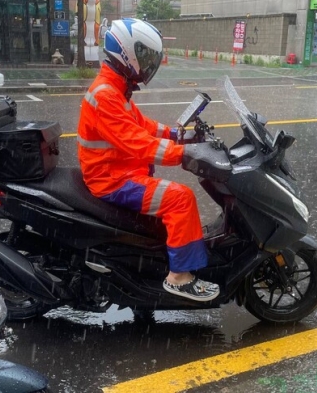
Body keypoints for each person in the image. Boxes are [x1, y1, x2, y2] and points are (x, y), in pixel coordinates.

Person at [77, 18, 220, 302]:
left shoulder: (116, 88)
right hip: (112, 180)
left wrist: (178, 135)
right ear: (126, 53)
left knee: (174, 198)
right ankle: (179, 278)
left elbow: (141, 126)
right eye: (144, 55)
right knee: (180, 199)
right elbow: (138, 143)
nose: (149, 63)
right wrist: (185, 154)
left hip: (120, 171)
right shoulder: (107, 95)